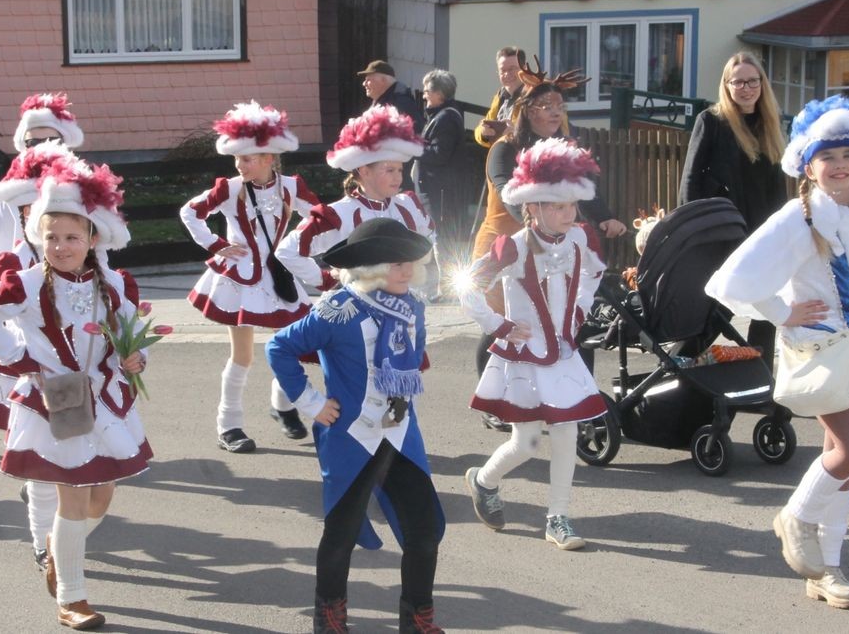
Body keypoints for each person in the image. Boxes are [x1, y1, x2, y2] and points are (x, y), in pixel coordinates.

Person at [706, 96, 849, 610]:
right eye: (826, 156)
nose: (839, 166)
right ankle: (794, 517)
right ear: (806, 165)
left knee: (844, 461)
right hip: (817, 347)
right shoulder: (800, 216)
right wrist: (781, 311)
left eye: (848, 155)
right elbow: (734, 277)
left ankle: (827, 570)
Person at [0, 157, 152, 630]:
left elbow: (126, 332)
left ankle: (55, 548)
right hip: (59, 399)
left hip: (107, 399)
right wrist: (21, 357)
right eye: (50, 237)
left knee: (101, 495)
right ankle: (72, 596)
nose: (61, 246)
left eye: (71, 237)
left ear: (92, 238)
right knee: (72, 493)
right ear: (36, 238)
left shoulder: (113, 283)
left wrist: (134, 359)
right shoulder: (25, 284)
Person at [266, 218, 445, 634]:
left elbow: (412, 361)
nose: (407, 270)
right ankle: (329, 621)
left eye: (409, 263)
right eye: (396, 263)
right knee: (341, 534)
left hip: (400, 433)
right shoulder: (336, 309)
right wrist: (311, 402)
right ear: (371, 268)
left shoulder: (413, 304)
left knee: (424, 531)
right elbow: (280, 347)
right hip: (351, 437)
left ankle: (418, 621)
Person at [0, 142, 99, 572]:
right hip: (33, 376)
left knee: (84, 470)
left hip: (81, 380)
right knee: (43, 470)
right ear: (23, 216)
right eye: (33, 210)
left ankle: (60, 539)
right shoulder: (15, 259)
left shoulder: (83, 254)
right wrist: (16, 353)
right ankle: (43, 546)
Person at [460, 137, 608, 550]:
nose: (568, 214)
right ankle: (484, 479)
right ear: (533, 207)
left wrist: (578, 314)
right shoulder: (513, 247)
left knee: (567, 432)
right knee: (525, 443)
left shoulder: (581, 239)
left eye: (572, 205)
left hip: (561, 353)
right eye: (557, 206)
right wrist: (499, 325)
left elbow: (594, 276)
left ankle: (558, 517)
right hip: (524, 358)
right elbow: (467, 289)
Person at [469, 69, 625, 430]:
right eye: (546, 105)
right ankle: (496, 402)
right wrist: (532, 228)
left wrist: (605, 218)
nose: (556, 112)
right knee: (506, 323)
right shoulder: (505, 147)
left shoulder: (567, 148)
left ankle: (569, 398)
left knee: (559, 320)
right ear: (527, 110)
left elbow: (586, 190)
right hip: (508, 242)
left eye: (559, 105)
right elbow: (507, 189)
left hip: (551, 241)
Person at [180, 101, 320, 453]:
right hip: (240, 281)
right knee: (243, 357)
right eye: (238, 158)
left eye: (248, 158)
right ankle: (229, 426)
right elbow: (190, 212)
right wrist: (216, 244)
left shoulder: (291, 186)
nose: (240, 165)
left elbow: (322, 216)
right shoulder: (228, 188)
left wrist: (298, 245)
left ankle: (282, 406)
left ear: (270, 157)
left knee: (294, 346)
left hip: (280, 277)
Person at [680, 52, 786, 354]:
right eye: (737, 82)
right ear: (726, 85)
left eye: (753, 81)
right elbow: (690, 179)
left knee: (767, 309)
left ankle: (761, 384)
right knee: (720, 306)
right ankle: (681, 363)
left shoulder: (770, 123)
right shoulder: (712, 121)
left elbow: (777, 186)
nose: (746, 88)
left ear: (762, 84)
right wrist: (694, 231)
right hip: (723, 231)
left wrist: (784, 229)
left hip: (762, 232)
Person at [278, 105, 435, 295]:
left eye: (400, 170)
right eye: (390, 170)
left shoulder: (408, 205)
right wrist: (327, 279)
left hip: (405, 306)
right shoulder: (338, 214)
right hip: (360, 311)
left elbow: (429, 236)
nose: (398, 178)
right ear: (365, 171)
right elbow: (287, 251)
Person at [0, 92, 85, 264]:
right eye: (34, 143)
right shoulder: (9, 196)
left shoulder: (83, 189)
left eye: (52, 140)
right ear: (24, 147)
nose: (44, 148)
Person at [412, 69, 466, 252]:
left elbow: (439, 154)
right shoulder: (441, 115)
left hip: (441, 193)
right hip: (439, 190)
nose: (424, 94)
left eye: (427, 91)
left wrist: (414, 147)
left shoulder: (446, 118)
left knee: (441, 240)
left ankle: (444, 278)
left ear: (439, 94)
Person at [473, 46, 525, 149]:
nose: (507, 74)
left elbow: (548, 133)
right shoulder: (500, 96)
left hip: (526, 160)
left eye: (512, 69)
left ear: (524, 69)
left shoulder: (536, 96)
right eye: (502, 70)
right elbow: (482, 126)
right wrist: (483, 133)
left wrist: (516, 133)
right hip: (502, 158)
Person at [359, 59, 424, 134]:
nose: (364, 84)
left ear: (383, 80)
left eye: (368, 80)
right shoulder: (382, 101)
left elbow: (413, 133)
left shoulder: (401, 103)